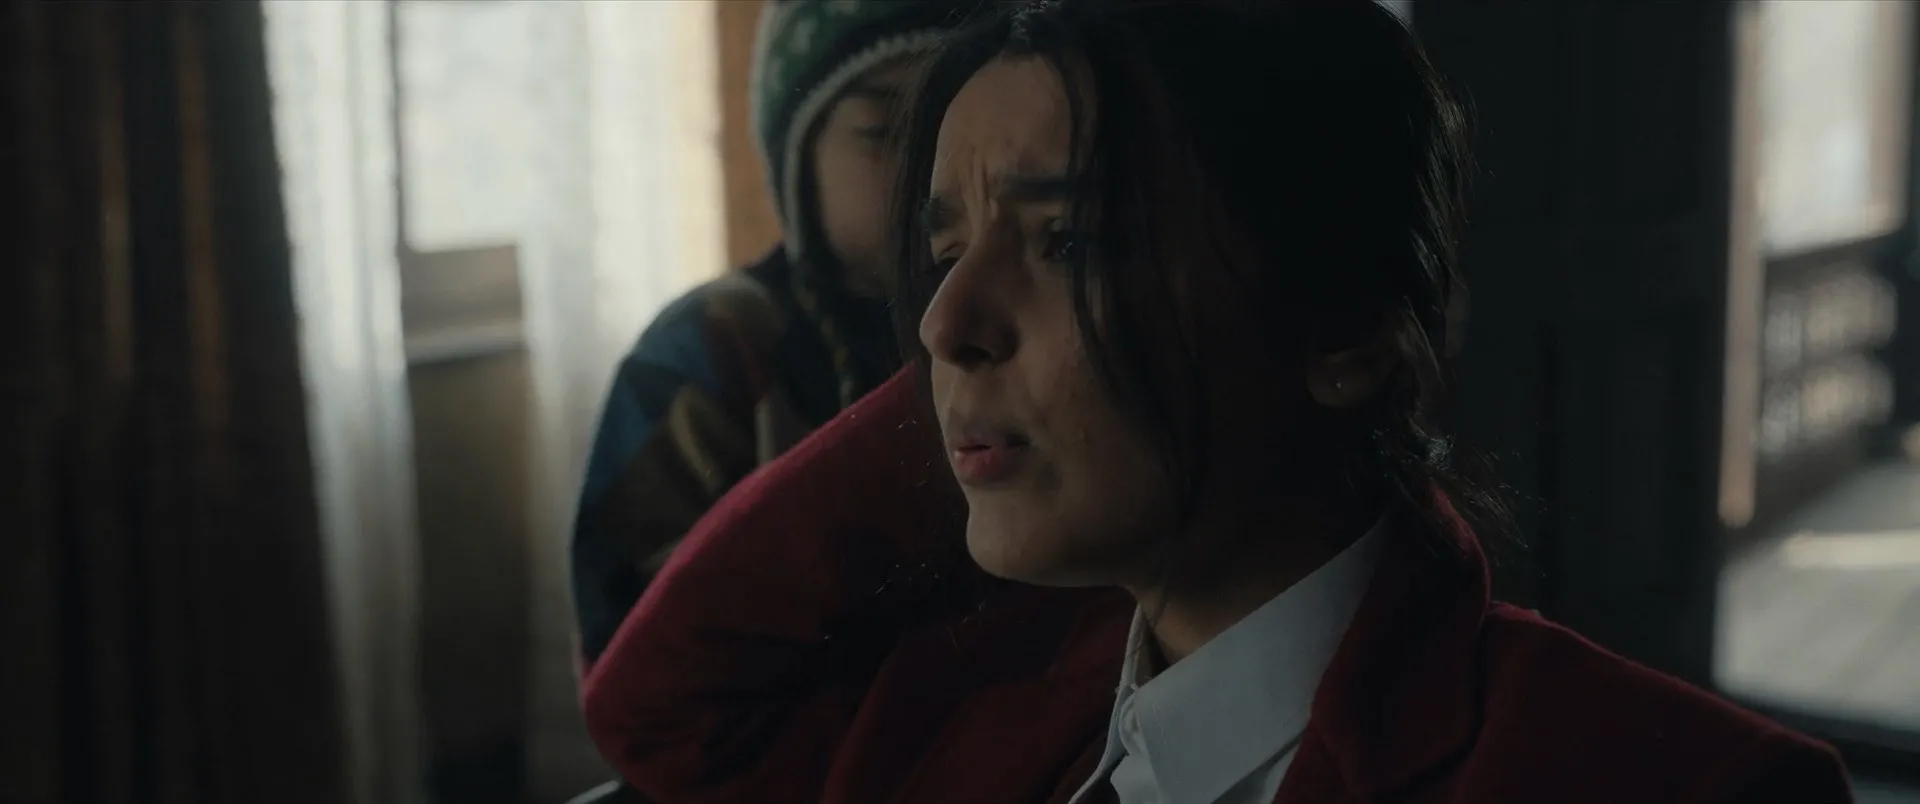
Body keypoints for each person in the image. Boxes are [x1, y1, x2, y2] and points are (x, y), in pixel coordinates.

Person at [581, 2, 1854, 803]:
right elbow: (669, 717)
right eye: (945, 245)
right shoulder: (980, 702)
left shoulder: (1671, 781)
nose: (938, 325)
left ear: (1347, 330)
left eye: (1073, 240)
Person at [568, 0, 975, 676]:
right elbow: (636, 663)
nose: (929, 171)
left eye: (957, 128)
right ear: (798, 155)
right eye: (885, 132)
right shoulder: (705, 354)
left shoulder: (1018, 328)